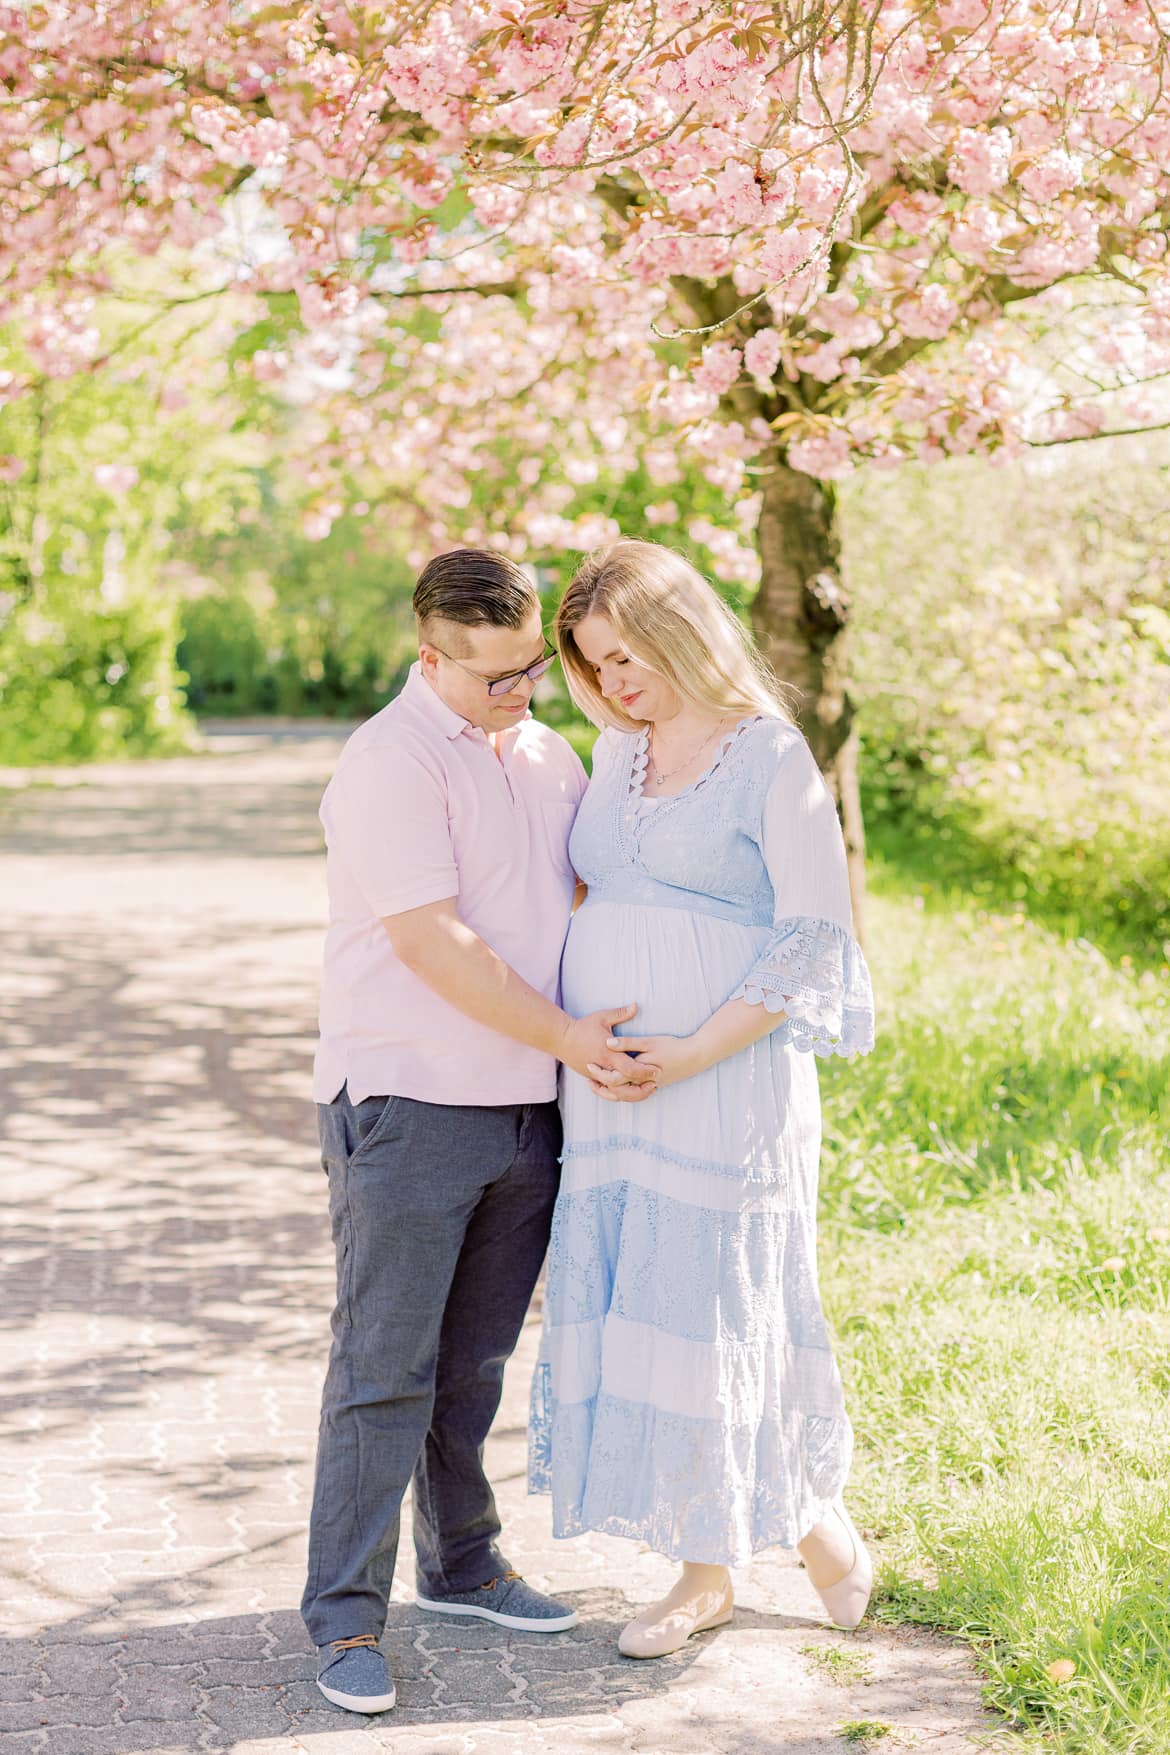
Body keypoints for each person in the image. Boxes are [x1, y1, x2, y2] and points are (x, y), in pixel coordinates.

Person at [303, 549, 657, 1715]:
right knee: (382, 1371)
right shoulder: (386, 764)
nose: (522, 695)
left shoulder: (548, 752)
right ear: (430, 659)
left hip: (529, 1109)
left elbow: (581, 896)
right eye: (497, 678)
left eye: (530, 675)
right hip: (408, 1106)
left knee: (476, 1366)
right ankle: (347, 1620)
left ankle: (463, 1563)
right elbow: (432, 942)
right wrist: (565, 1031)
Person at [528, 539, 876, 1658]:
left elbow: (813, 937)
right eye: (593, 665)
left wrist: (686, 1049)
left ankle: (707, 1571)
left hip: (723, 1080)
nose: (616, 683)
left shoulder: (771, 757)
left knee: (714, 1307)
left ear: (681, 632)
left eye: (629, 656)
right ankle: (804, 1523)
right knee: (648, 1307)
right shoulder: (613, 749)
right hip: (615, 1086)